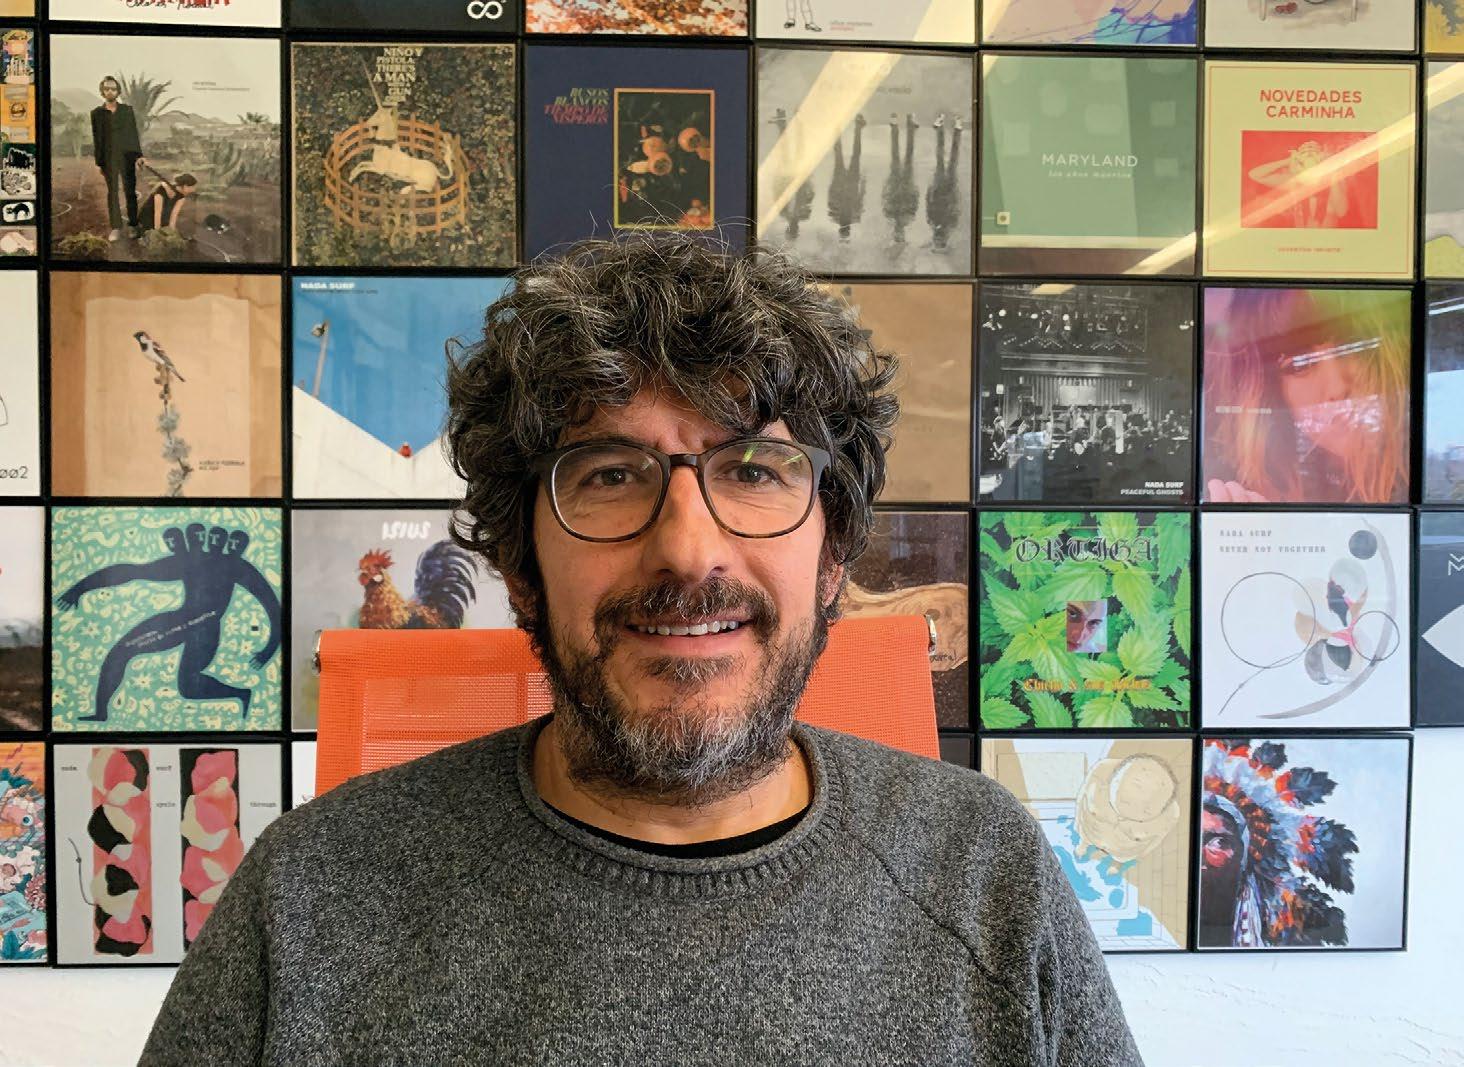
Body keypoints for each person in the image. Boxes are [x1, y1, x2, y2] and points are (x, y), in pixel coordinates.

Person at [139, 235, 1143, 1066]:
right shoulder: (308, 898)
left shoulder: (985, 870)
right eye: (612, 474)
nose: (688, 549)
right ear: (520, 563)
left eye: (755, 468)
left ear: (833, 554)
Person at [89, 75, 146, 242]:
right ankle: (116, 227)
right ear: (102, 91)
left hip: (127, 157)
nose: (110, 91)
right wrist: (99, 162)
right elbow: (97, 139)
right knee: (112, 193)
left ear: (118, 91)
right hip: (108, 159)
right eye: (106, 89)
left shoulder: (127, 111)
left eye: (113, 89)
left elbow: (133, 134)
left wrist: (138, 156)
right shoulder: (97, 113)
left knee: (130, 191)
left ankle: (133, 225)